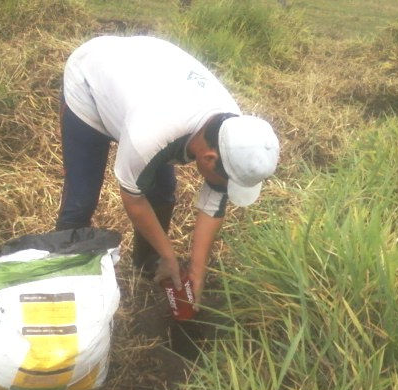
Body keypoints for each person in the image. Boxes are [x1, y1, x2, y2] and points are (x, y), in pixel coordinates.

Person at [56, 35, 279, 309]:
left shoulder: (231, 130)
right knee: (82, 198)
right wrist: (170, 254)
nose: (225, 189)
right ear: (208, 158)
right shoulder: (151, 135)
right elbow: (133, 198)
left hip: (145, 86)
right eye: (227, 183)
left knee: (162, 190)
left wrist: (197, 273)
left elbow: (214, 202)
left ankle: (148, 262)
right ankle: (64, 279)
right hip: (91, 83)